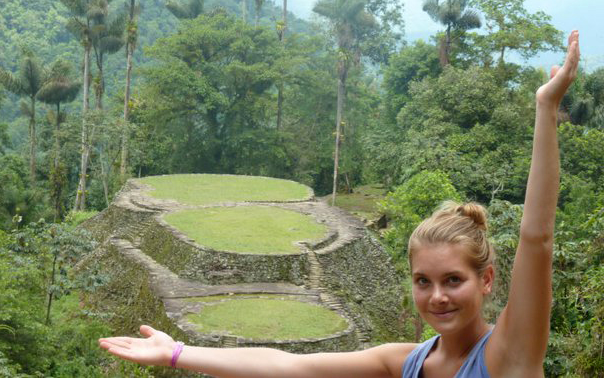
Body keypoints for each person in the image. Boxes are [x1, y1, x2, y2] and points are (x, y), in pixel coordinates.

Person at [99, 31, 580, 377]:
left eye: (454, 279)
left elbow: (536, 238)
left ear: (487, 280)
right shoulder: (406, 362)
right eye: (423, 281)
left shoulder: (508, 357)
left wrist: (544, 110)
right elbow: (286, 366)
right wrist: (178, 353)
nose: (437, 296)